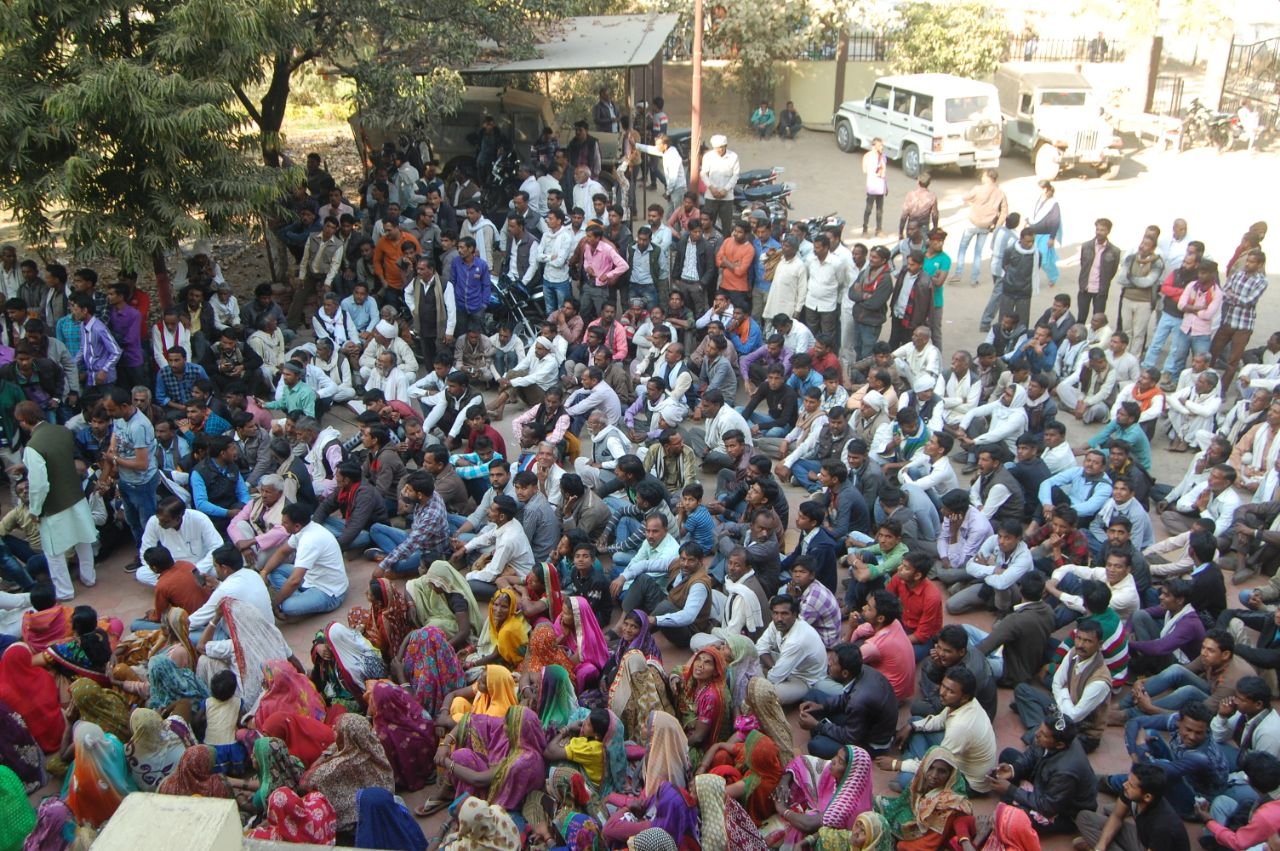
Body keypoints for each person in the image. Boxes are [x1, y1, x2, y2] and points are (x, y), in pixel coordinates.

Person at [15, 401, 96, 601]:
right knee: (83, 540)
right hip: (75, 496)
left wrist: (35, 509)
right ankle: (89, 577)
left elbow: (39, 484)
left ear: (24, 422)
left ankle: (65, 592)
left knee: (54, 552)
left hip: (53, 506)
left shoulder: (33, 447)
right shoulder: (63, 431)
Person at [1013, 618, 1111, 753]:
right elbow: (1057, 682)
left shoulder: (1100, 681)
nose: (1081, 644)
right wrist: (1063, 693)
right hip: (1063, 708)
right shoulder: (1073, 653)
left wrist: (1063, 691)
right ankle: (1042, 728)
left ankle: (1039, 730)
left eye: (1088, 641)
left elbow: (1073, 716)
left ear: (1099, 644)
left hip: (1081, 730)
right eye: (1079, 638)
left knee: (1044, 741)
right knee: (1022, 690)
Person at [989, 715, 1099, 835]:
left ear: (1060, 745)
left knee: (1015, 816)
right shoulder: (1049, 739)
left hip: (1062, 811)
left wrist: (1010, 790)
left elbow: (1047, 807)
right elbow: (1033, 753)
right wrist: (1013, 769)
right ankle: (1015, 797)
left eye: (1044, 735)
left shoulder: (1065, 772)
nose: (1037, 734)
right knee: (1008, 755)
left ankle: (1015, 802)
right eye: (1039, 729)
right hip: (1045, 782)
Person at [800, 643, 898, 757]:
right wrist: (822, 706)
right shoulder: (861, 670)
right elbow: (845, 698)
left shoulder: (859, 700)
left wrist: (817, 725)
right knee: (812, 696)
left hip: (869, 743)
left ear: (845, 673)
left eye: (833, 662)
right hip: (862, 722)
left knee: (816, 745)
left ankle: (823, 731)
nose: (829, 663)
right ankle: (824, 728)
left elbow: (850, 738)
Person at [259, 502, 349, 618]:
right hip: (311, 579)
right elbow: (283, 551)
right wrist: (264, 571)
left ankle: (295, 600)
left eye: (285, 522)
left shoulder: (309, 541)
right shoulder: (304, 529)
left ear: (296, 526)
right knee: (275, 571)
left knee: (286, 606)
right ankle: (299, 598)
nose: (282, 524)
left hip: (329, 593)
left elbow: (295, 580)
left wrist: (274, 604)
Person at [1072, 763, 1190, 851]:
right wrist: (1100, 846)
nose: (1125, 785)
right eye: (1128, 781)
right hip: (1142, 839)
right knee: (1084, 817)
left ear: (1147, 797)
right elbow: (1117, 816)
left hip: (1155, 846)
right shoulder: (1131, 793)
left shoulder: (1163, 827)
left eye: (1131, 785)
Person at [875, 747, 973, 851]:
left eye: (942, 771)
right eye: (931, 768)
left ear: (951, 775)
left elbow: (929, 845)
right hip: (915, 826)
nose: (934, 775)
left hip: (927, 843)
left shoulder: (949, 805)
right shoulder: (921, 781)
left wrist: (901, 845)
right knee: (876, 804)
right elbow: (903, 803)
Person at [756, 594, 829, 705]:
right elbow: (760, 647)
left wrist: (770, 672)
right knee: (747, 657)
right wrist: (773, 669)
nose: (779, 618)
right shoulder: (777, 624)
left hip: (804, 680)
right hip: (784, 666)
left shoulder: (797, 640)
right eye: (775, 613)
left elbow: (773, 678)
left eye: (784, 613)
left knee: (765, 695)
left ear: (795, 615)